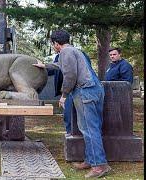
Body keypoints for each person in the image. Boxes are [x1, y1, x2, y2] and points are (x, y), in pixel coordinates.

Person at [33, 30, 111, 178]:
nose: (54, 46)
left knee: (89, 129)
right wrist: (45, 65)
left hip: (84, 92)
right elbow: (61, 66)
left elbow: (70, 75)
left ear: (56, 44)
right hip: (95, 90)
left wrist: (64, 95)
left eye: (53, 44)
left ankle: (100, 166)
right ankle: (91, 160)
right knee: (93, 127)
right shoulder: (74, 50)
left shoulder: (65, 52)